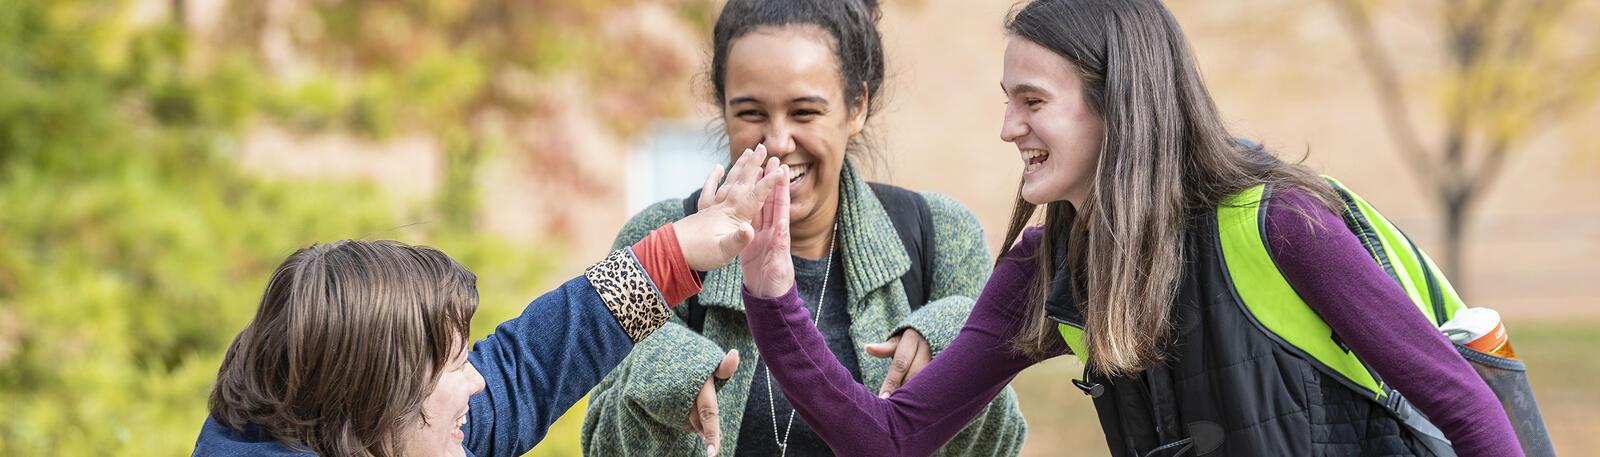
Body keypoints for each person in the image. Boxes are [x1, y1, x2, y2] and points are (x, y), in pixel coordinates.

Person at [736, 0, 1524, 456]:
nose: (1008, 128)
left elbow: (1468, 409)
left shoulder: (1280, 227)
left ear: (1119, 104)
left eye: (1032, 101)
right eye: (1007, 101)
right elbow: (889, 438)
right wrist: (773, 295)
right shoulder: (1048, 271)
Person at [580, 0, 1026, 455]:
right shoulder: (655, 237)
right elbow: (600, 444)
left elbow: (998, 446)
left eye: (805, 112)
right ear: (723, 109)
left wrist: (959, 351)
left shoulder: (942, 236)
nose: (777, 141)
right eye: (751, 113)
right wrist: (654, 375)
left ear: (856, 107)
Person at [190, 148, 787, 456]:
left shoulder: (383, 431)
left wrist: (674, 251)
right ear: (379, 391)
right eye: (455, 365)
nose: (477, 381)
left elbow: (528, 368)